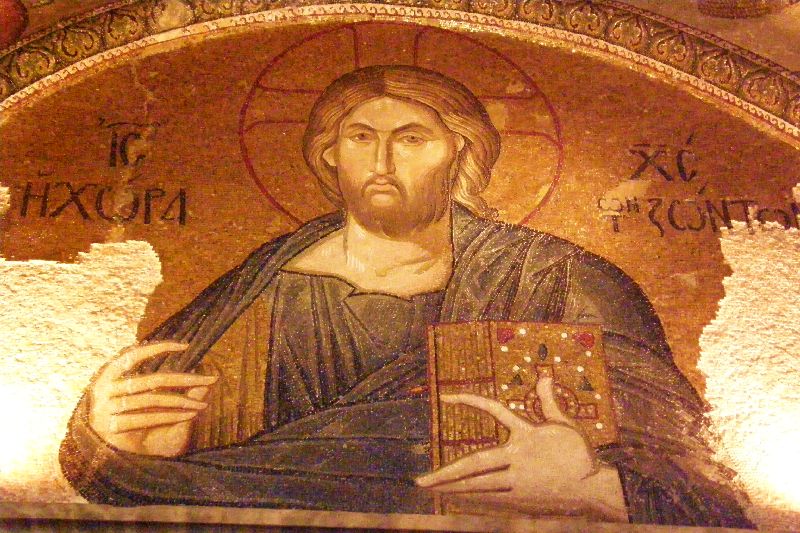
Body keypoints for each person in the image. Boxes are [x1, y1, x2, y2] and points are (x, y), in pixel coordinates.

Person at [60, 65, 752, 527]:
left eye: (412, 139)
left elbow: (699, 480)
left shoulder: (556, 280)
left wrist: (595, 489)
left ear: (461, 154)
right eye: (360, 138)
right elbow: (126, 457)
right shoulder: (262, 285)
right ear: (329, 155)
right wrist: (112, 442)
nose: (382, 161)